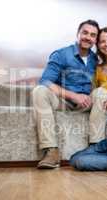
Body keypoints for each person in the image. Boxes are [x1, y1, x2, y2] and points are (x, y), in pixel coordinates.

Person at [32, 19, 100, 169]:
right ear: (78, 34)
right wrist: (74, 96)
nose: (88, 37)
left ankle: (96, 148)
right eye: (85, 32)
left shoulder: (96, 60)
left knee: (102, 92)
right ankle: (51, 151)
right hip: (64, 102)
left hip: (88, 103)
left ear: (95, 40)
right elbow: (45, 81)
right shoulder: (61, 54)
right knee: (39, 91)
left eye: (93, 35)